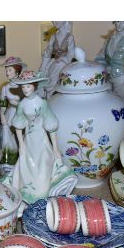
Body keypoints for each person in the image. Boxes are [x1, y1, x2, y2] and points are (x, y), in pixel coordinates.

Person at [9, 70, 77, 205]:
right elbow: (18, 125)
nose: (25, 90)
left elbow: (51, 125)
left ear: (35, 86)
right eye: (23, 87)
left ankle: (44, 194)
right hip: (29, 141)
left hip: (41, 139)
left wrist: (56, 148)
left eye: (28, 86)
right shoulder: (22, 104)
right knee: (27, 165)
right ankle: (29, 194)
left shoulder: (42, 103)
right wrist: (21, 144)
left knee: (45, 164)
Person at [95, 21, 124, 101]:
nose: (120, 25)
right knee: (108, 102)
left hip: (120, 79)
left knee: (120, 103)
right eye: (118, 21)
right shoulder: (109, 39)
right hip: (107, 77)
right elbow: (100, 57)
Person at [0, 56, 26, 169]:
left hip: (21, 114)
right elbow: (3, 103)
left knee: (23, 137)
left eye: (10, 70)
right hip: (10, 114)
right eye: (6, 70)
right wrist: (2, 115)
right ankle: (9, 161)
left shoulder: (23, 86)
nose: (7, 72)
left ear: (17, 71)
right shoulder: (5, 88)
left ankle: (24, 159)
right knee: (7, 135)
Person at [39, 21, 75, 98]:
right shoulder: (53, 37)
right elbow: (47, 53)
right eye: (54, 20)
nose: (55, 22)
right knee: (48, 75)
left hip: (65, 63)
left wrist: (63, 59)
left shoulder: (69, 37)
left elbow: (71, 54)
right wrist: (42, 68)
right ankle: (49, 97)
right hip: (55, 62)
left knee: (58, 71)